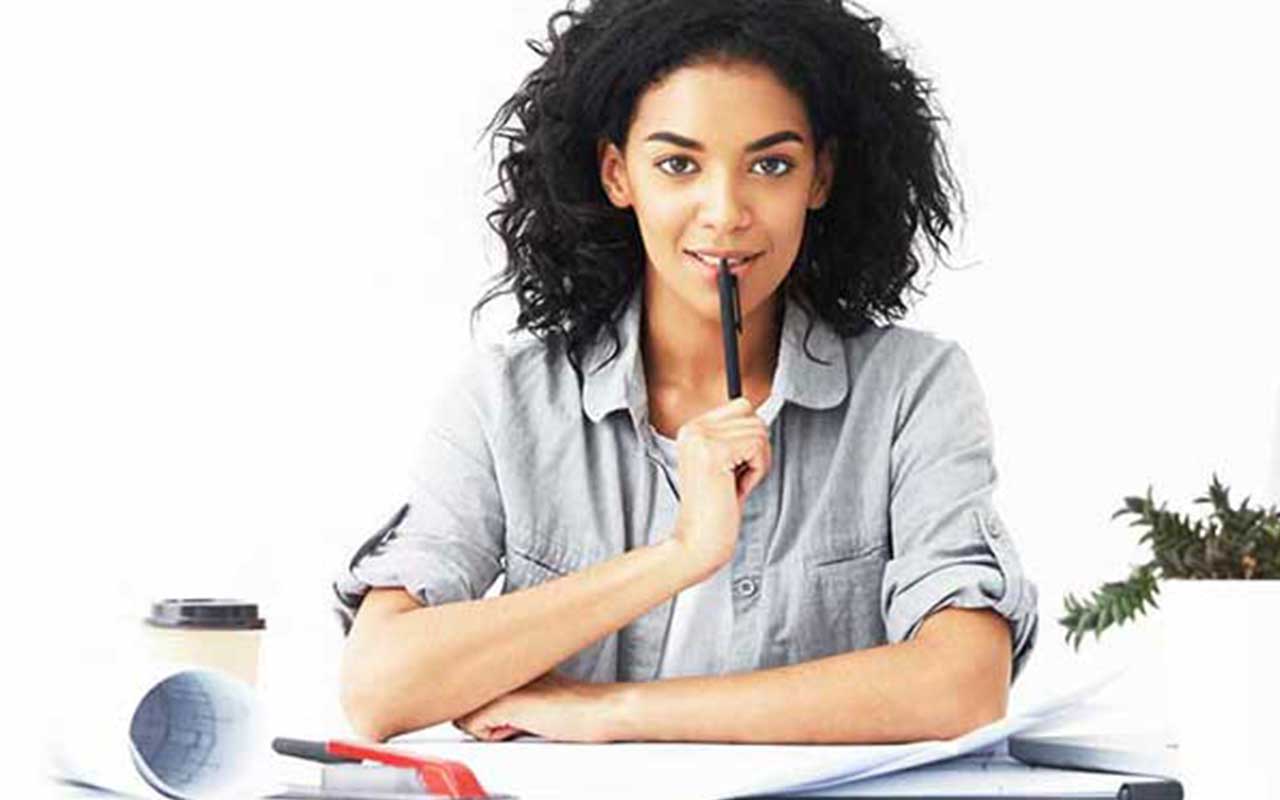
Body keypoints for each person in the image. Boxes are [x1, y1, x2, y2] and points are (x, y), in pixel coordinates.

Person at [333, 0, 1038, 745]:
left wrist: (611, 712)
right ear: (617, 174)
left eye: (771, 165)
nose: (725, 211)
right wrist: (679, 555)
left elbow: (964, 683)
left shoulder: (912, 390)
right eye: (678, 164)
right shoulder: (506, 401)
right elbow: (378, 687)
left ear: (820, 177)